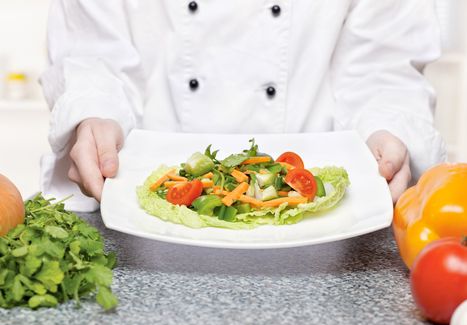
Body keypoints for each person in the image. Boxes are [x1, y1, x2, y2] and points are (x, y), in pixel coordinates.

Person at [40, 0, 446, 212]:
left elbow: (382, 66)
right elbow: (92, 50)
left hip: (321, 226)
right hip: (140, 211)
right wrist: (94, 112)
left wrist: (386, 130)